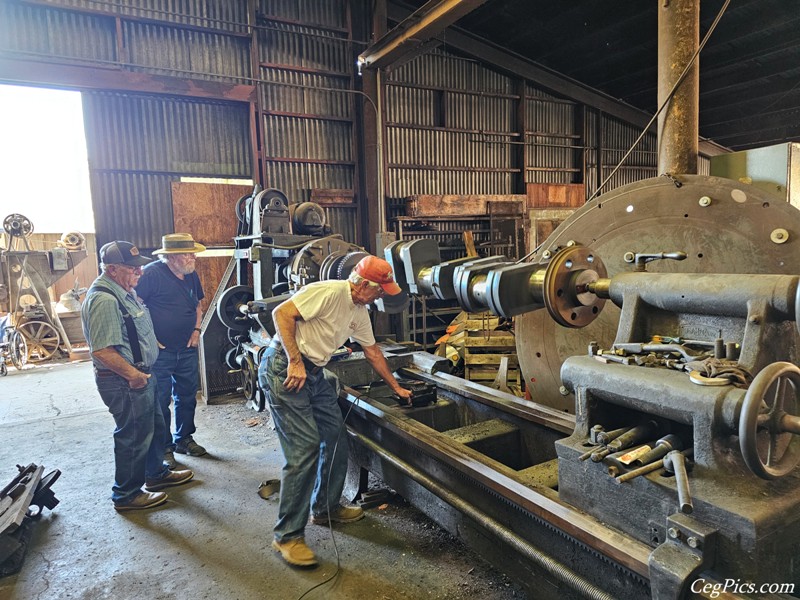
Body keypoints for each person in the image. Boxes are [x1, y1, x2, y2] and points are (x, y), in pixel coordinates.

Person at [259, 255, 413, 567]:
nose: (382, 295)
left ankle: (325, 508)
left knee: (335, 436)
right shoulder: (329, 292)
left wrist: (396, 387)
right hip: (285, 369)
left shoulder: (359, 311)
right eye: (380, 290)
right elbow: (281, 313)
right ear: (363, 285)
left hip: (314, 374)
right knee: (304, 450)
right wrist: (295, 360)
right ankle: (287, 536)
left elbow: (372, 351)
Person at [82, 241, 194, 511]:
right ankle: (126, 495)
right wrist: (134, 375)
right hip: (124, 381)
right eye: (133, 269)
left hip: (143, 374)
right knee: (132, 436)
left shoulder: (123, 291)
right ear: (111, 269)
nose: (140, 273)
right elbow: (102, 351)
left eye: (140, 267)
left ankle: (155, 475)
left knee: (153, 427)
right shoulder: (104, 299)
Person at [136, 233, 207, 468]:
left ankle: (184, 439)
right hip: (160, 353)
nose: (193, 257)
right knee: (160, 400)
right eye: (187, 253)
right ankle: (164, 448)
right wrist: (149, 337)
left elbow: (198, 303)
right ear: (171, 257)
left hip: (187, 348)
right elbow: (135, 306)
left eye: (192, 252)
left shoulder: (191, 274)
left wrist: (196, 330)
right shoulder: (151, 274)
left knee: (187, 397)